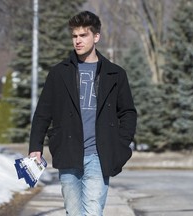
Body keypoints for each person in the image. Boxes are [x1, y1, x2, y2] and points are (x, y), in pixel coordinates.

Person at [29, 11, 137, 216]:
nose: (77, 41)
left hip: (99, 155)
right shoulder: (59, 73)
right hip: (68, 152)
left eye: (83, 35)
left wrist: (120, 144)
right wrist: (35, 147)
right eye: (74, 36)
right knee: (73, 211)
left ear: (96, 37)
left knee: (93, 212)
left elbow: (128, 112)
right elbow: (43, 112)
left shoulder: (115, 74)